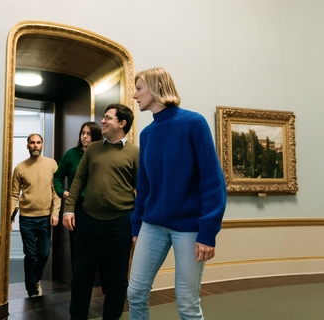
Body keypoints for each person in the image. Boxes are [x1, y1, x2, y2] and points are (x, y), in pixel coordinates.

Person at [127, 67, 227, 320]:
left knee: (187, 302)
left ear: (157, 87)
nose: (134, 95)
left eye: (139, 88)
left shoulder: (193, 123)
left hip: (189, 229)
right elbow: (144, 186)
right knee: (135, 292)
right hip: (152, 225)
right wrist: (136, 226)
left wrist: (208, 231)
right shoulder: (146, 134)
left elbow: (213, 181)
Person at [63, 104, 139, 320]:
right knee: (81, 276)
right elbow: (78, 182)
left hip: (121, 223)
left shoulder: (134, 153)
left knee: (116, 280)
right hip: (88, 221)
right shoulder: (94, 149)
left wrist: (138, 223)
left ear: (122, 123)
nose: (103, 121)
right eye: (103, 117)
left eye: (108, 118)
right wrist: (69, 210)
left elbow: (142, 189)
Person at [11, 133, 61, 298]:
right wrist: (9, 218)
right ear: (27, 146)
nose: (35, 145)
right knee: (30, 255)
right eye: (32, 143)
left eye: (38, 142)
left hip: (46, 218)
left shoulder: (52, 164)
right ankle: (32, 290)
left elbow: (56, 192)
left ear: (42, 145)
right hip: (26, 219)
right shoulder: (20, 168)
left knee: (44, 253)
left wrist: (55, 213)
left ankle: (35, 279)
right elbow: (13, 195)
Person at [53, 121, 102, 267]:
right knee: (78, 244)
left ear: (96, 136)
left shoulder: (101, 154)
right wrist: (62, 192)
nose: (85, 137)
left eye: (89, 134)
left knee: (98, 246)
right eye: (83, 133)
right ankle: (78, 283)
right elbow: (57, 177)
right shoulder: (71, 154)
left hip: (98, 205)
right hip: (77, 205)